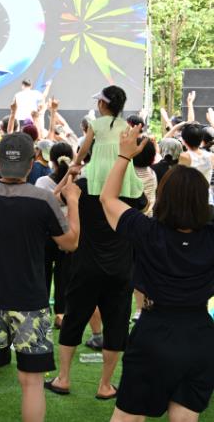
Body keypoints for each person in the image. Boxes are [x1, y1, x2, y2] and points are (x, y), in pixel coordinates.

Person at [0, 132, 80, 422]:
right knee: (32, 381)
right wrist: (73, 201)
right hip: (31, 302)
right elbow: (70, 243)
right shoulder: (43, 199)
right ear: (31, 163)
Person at [99, 125, 213, 422]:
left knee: (128, 417)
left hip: (155, 333)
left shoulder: (148, 231)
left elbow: (107, 199)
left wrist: (124, 156)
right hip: (200, 335)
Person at [45, 139, 148, 401]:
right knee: (116, 325)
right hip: (120, 267)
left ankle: (63, 378)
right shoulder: (131, 189)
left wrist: (71, 173)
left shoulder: (82, 186)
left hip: (85, 265)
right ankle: (105, 385)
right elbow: (145, 205)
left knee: (73, 320)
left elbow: (53, 199)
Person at [71, 86, 143, 198]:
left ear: (102, 103)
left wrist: (77, 162)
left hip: (100, 167)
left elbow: (84, 148)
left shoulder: (95, 124)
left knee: (99, 197)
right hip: (121, 167)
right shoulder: (125, 125)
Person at [35, 142, 74, 328]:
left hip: (44, 234)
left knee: (42, 274)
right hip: (67, 234)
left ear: (51, 160)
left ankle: (41, 312)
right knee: (64, 275)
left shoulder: (42, 182)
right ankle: (61, 314)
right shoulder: (77, 182)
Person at [177, 123, 214, 203]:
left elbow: (180, 179)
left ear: (184, 140)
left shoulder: (185, 156)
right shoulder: (211, 156)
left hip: (191, 198)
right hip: (207, 197)